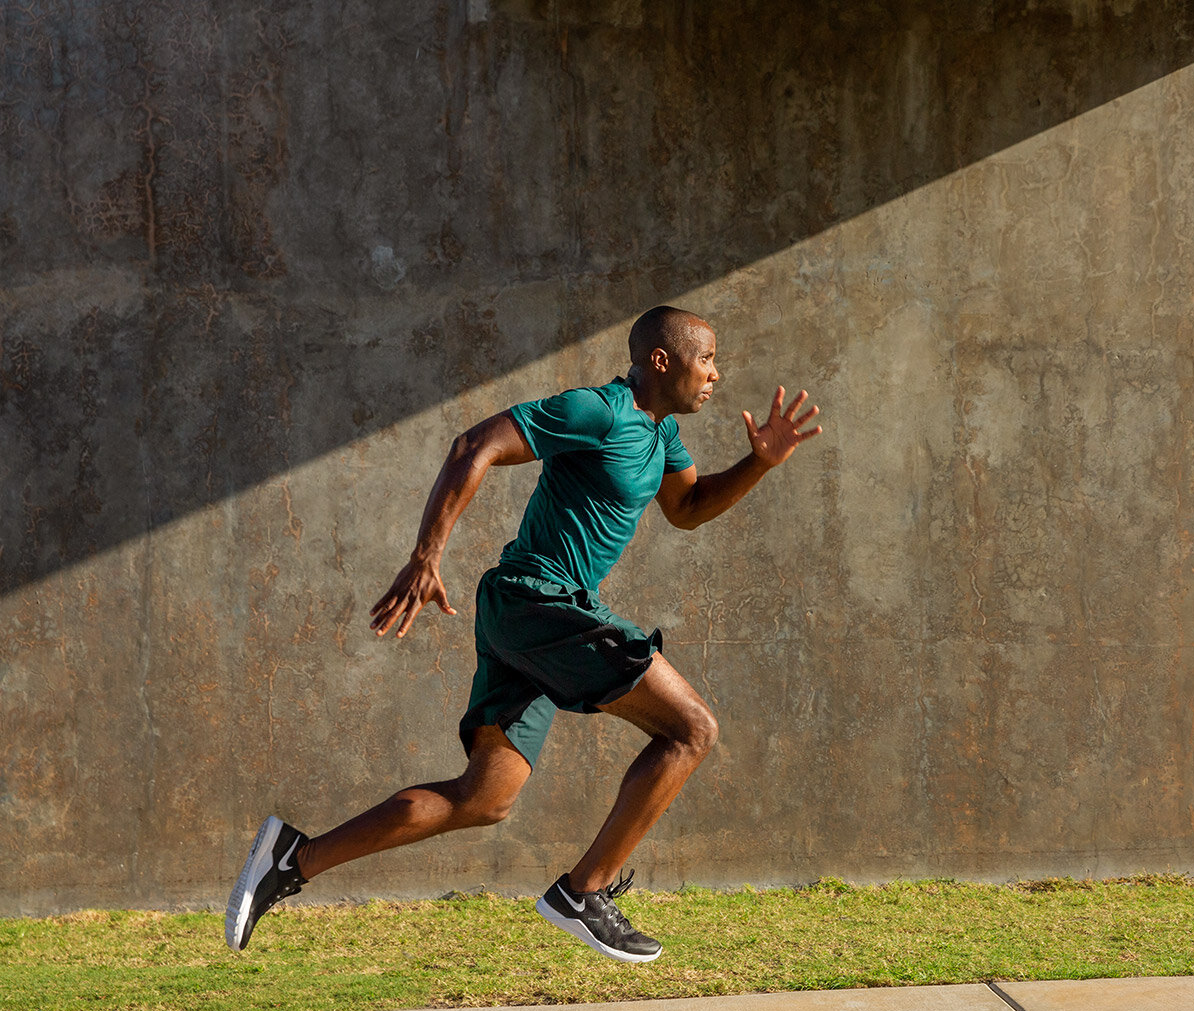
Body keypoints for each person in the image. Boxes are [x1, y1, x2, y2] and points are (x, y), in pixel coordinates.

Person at [224, 306, 821, 962]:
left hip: (534, 618)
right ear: (661, 360)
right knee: (692, 730)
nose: (716, 372)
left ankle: (293, 858)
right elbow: (473, 445)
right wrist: (427, 555)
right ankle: (583, 893)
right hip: (536, 601)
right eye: (706, 358)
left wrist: (759, 462)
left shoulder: (662, 436)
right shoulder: (597, 411)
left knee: (484, 799)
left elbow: (689, 508)